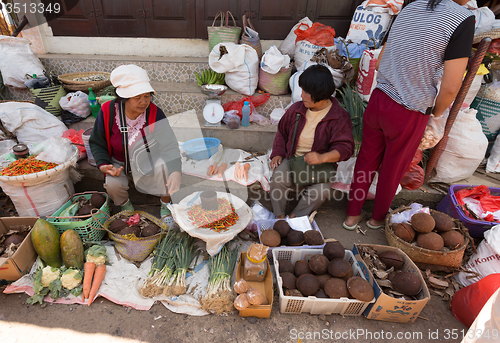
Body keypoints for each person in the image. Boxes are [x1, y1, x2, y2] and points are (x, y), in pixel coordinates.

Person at [343, 0, 475, 230]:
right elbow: (452, 87)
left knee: (365, 161)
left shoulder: (411, 8)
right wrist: (436, 113)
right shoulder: (462, 18)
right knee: (393, 169)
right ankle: (376, 220)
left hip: (379, 99)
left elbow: (382, 58)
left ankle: (351, 217)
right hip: (409, 110)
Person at [89, 64, 182, 228]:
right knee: (112, 184)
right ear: (124, 98)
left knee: (166, 169)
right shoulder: (108, 112)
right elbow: (97, 142)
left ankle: (166, 206)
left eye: (147, 96)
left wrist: (175, 170)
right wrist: (104, 164)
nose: (144, 101)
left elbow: (170, 145)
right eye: (137, 97)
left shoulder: (154, 113)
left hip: (149, 161)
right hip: (118, 163)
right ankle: (126, 207)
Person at [270, 64, 354, 219]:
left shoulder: (339, 116)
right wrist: (278, 153)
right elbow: (282, 132)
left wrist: (322, 158)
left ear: (319, 93)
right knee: (277, 179)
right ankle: (280, 218)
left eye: (306, 92)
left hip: (320, 167)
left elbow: (346, 148)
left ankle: (295, 217)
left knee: (321, 191)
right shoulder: (296, 110)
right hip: (293, 160)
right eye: (302, 90)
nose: (301, 95)